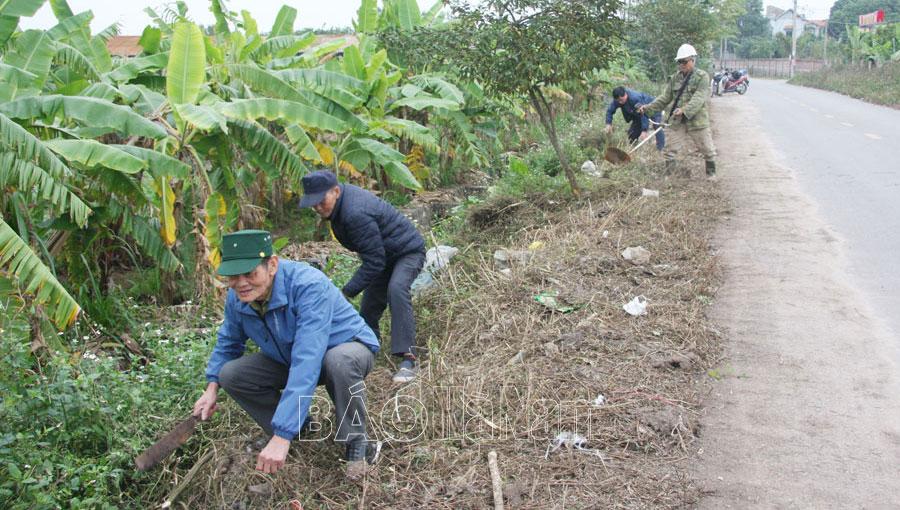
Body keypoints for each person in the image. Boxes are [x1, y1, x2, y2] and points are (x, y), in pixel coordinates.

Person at [192, 229, 380, 480]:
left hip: (345, 348)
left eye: (250, 274)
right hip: (289, 357)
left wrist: (282, 433)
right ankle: (303, 430)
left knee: (338, 362)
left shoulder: (307, 285)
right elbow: (229, 342)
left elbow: (308, 357)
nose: (241, 283)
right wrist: (211, 388)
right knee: (231, 374)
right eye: (233, 276)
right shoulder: (238, 298)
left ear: (272, 265)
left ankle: (357, 444)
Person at [299, 171, 426, 383]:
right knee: (369, 306)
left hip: (408, 252)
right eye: (313, 204)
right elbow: (375, 258)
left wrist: (346, 292)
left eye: (321, 201)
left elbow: (374, 261)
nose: (318, 208)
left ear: (336, 191)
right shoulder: (340, 208)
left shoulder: (354, 212)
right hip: (384, 256)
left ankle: (409, 358)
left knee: (396, 289)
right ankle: (368, 351)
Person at [639, 44, 718, 178]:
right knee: (670, 150)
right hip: (678, 121)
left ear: (693, 60)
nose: (681, 65)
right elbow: (665, 98)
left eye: (684, 62)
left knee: (708, 150)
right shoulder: (675, 78)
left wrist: (684, 110)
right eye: (679, 62)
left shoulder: (702, 76)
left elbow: (699, 98)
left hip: (697, 120)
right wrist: (648, 108)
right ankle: (670, 177)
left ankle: (711, 176)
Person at [604, 86, 665, 151]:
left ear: (625, 94)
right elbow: (609, 111)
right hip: (637, 113)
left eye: (621, 100)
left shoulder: (635, 98)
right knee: (632, 134)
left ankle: (660, 148)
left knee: (656, 125)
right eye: (618, 100)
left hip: (653, 108)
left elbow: (644, 114)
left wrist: (644, 130)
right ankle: (633, 149)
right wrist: (608, 124)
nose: (620, 102)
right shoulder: (618, 99)